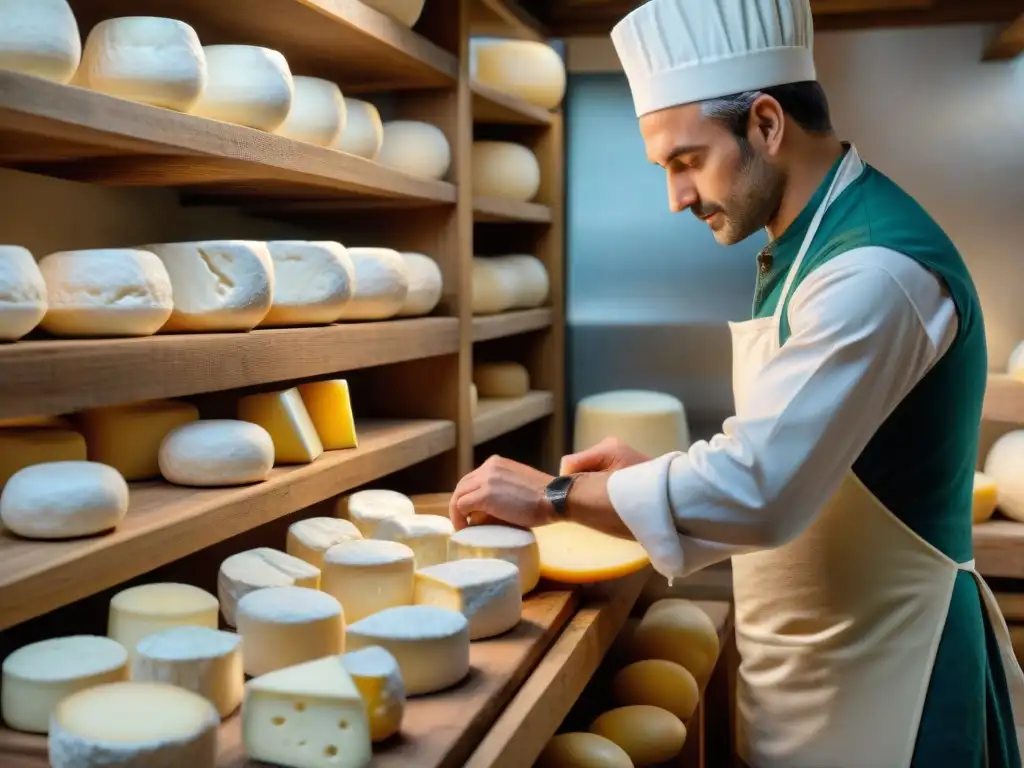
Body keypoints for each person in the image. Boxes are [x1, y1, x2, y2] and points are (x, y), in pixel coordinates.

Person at [449, 0, 1024, 765]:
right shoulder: (807, 245)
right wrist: (648, 480)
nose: (677, 197)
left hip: (896, 684)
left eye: (686, 161)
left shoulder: (873, 274)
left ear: (765, 123)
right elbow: (795, 458)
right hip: (814, 668)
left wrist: (553, 498)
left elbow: (762, 487)